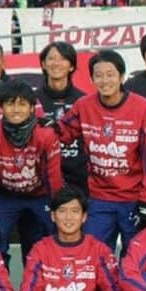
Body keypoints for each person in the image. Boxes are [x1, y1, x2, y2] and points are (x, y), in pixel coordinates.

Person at [58, 49, 146, 251]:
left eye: (110, 74)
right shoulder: (83, 106)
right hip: (99, 198)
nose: (104, 80)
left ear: (121, 76)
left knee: (136, 258)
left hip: (134, 198)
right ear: (91, 79)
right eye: (98, 75)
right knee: (94, 255)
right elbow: (61, 133)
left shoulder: (141, 107)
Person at [0, 80, 63, 263]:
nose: (16, 109)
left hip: (40, 196)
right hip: (6, 196)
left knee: (48, 243)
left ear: (32, 108)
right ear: (1, 107)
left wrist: (58, 209)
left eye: (22, 104)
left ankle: (42, 289)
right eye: (10, 104)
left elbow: (54, 177)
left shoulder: (46, 135)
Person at [35, 42, 87, 193]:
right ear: (43, 64)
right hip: (43, 179)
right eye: (51, 59)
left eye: (63, 59)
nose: (56, 63)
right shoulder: (32, 100)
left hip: (79, 178)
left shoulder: (84, 100)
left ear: (71, 66)